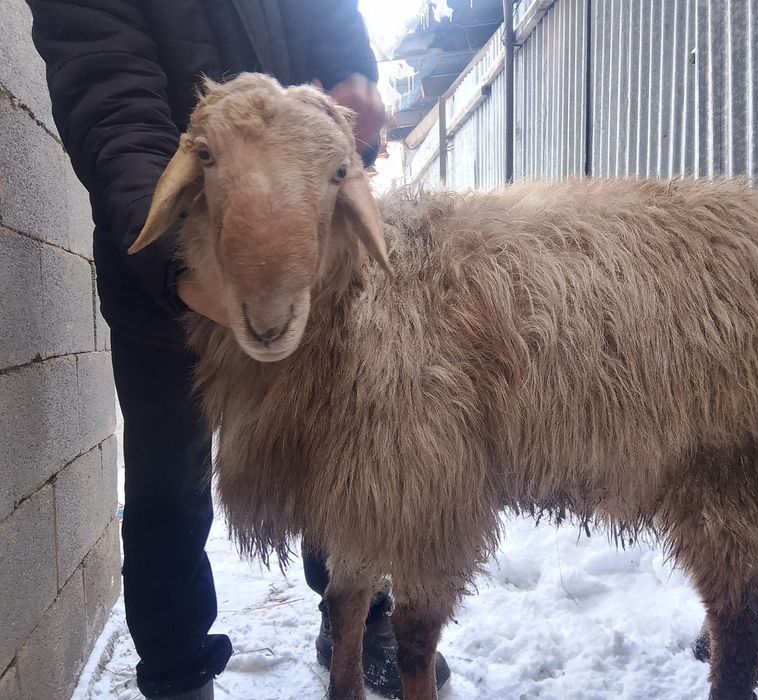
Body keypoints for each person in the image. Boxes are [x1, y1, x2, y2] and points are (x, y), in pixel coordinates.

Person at [25, 2, 450, 698]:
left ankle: (357, 612)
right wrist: (178, 269)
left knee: (338, 449)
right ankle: (175, 665)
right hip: (174, 259)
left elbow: (331, 19)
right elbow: (110, 105)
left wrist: (352, 79)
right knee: (167, 476)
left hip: (307, 256)